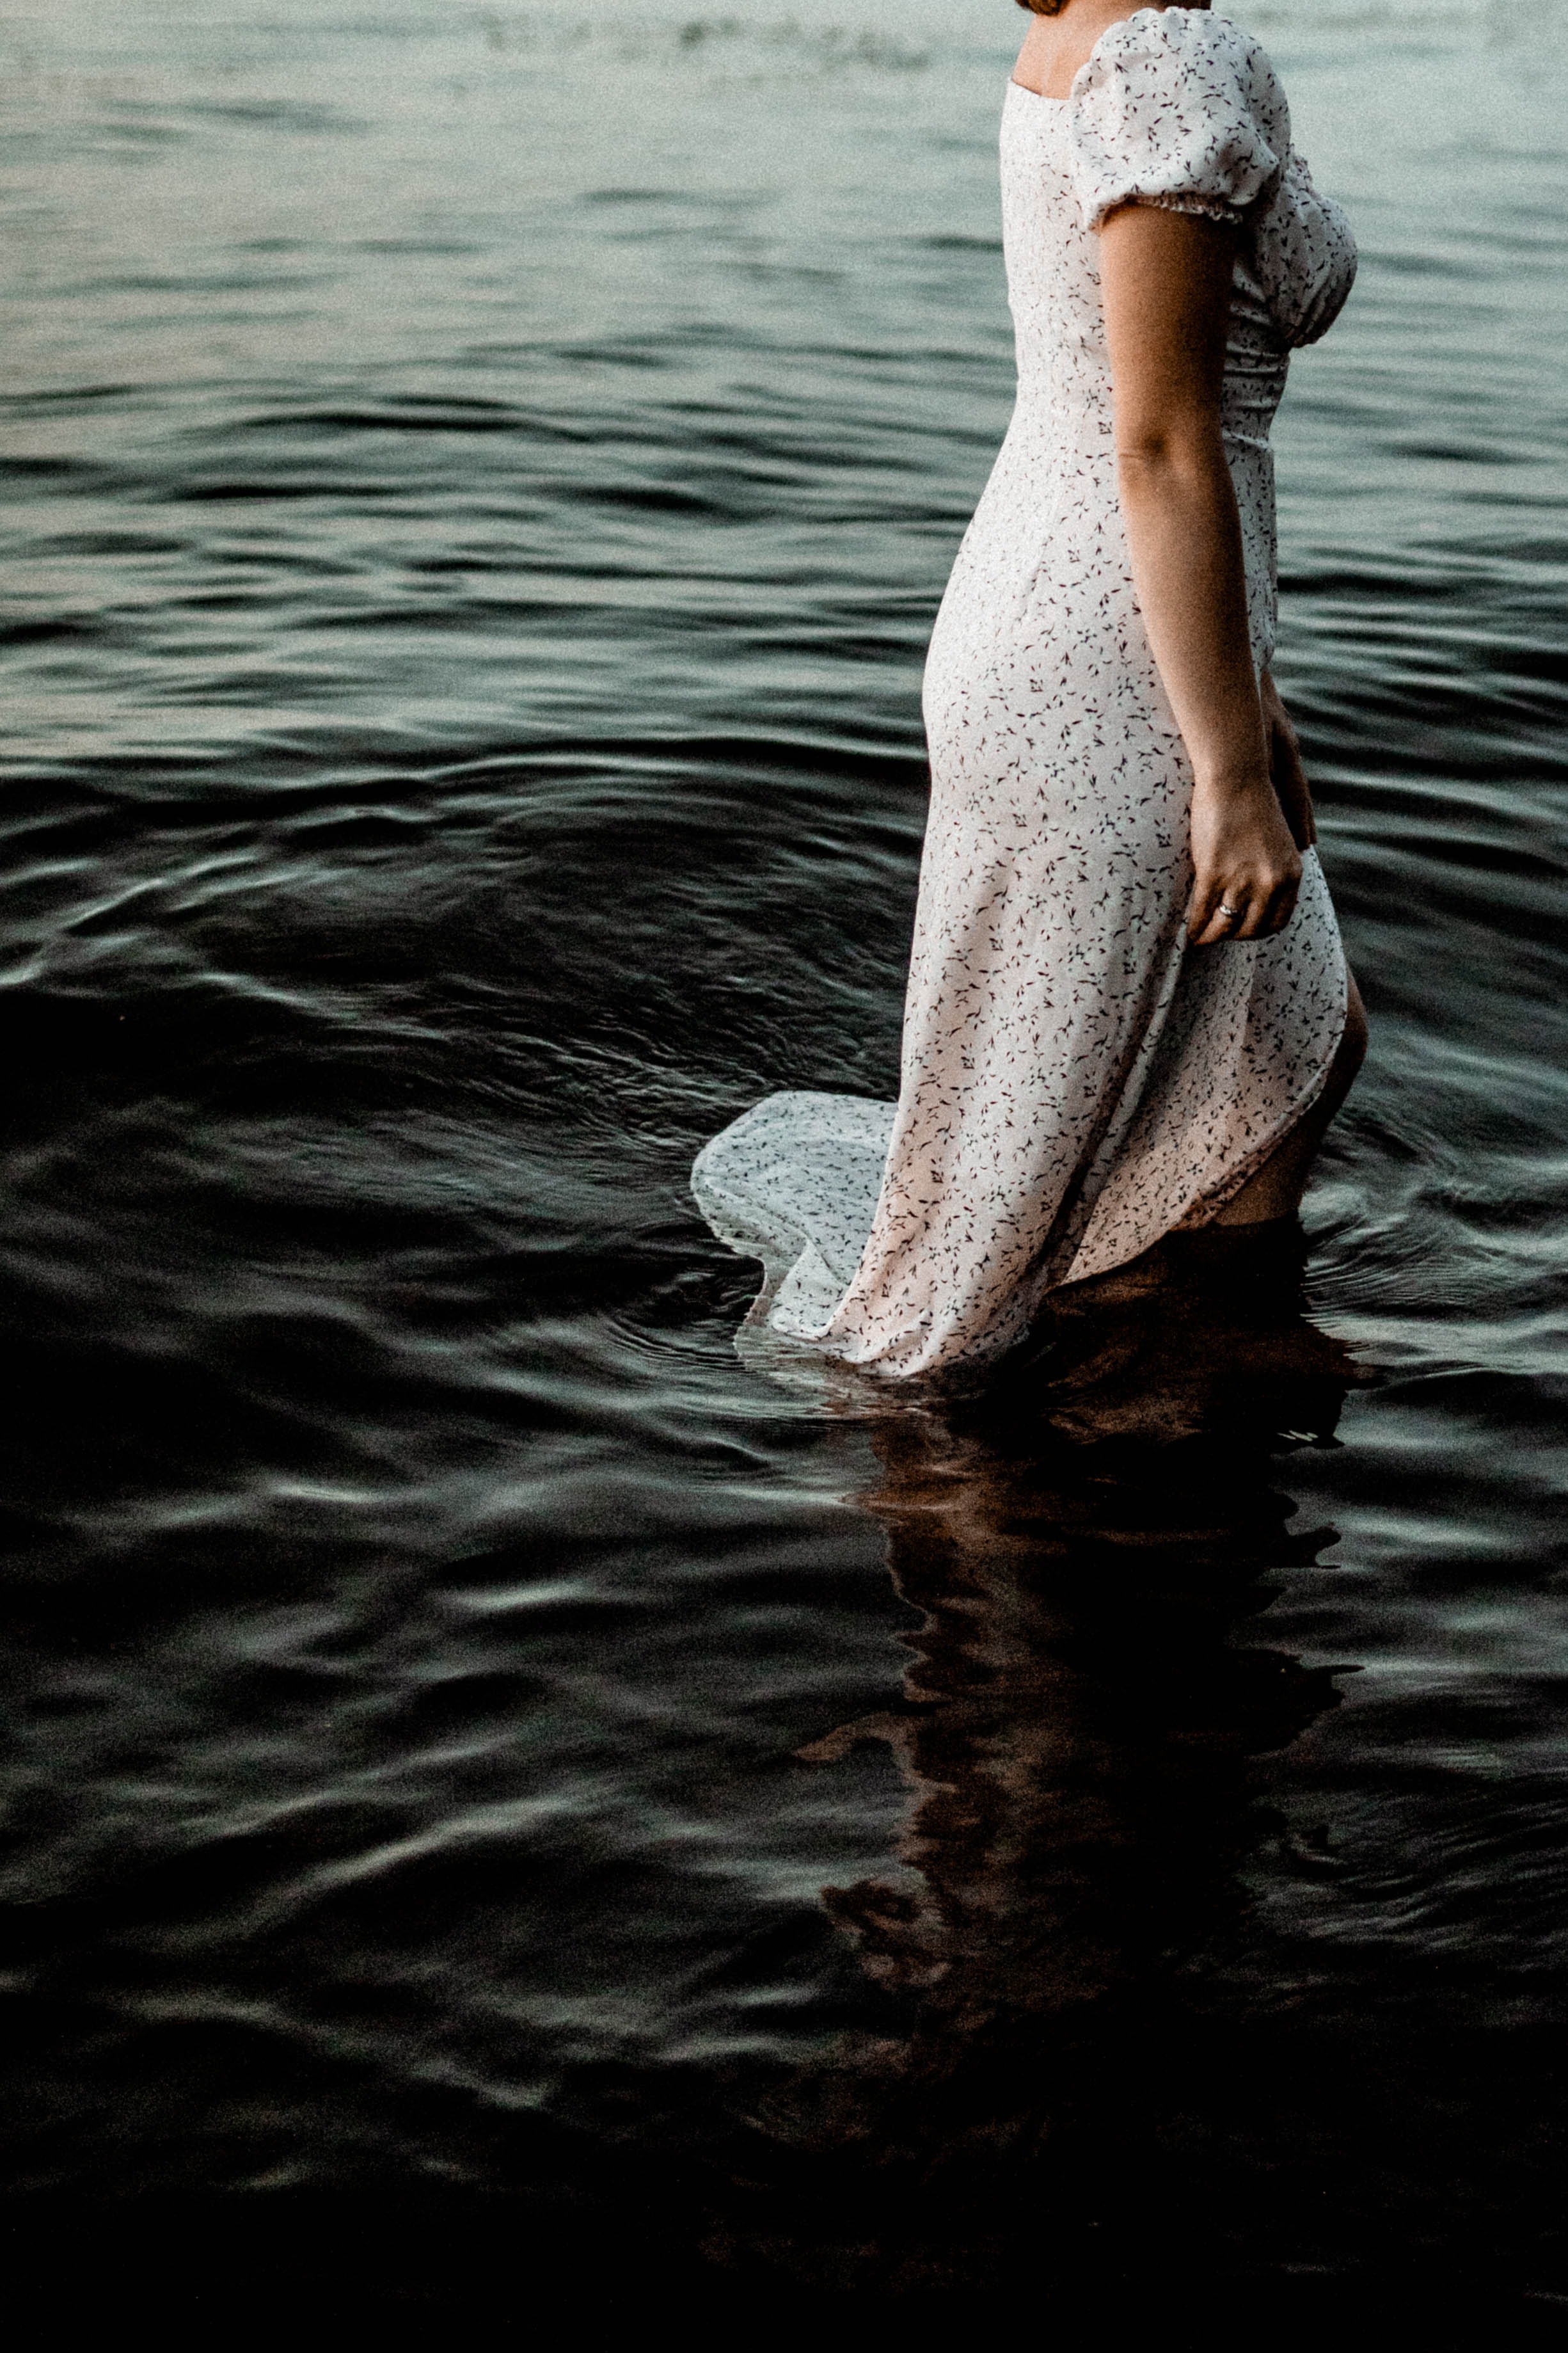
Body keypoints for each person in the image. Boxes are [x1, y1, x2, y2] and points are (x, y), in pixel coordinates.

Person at [693, 1, 1366, 1381]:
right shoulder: (1169, 56)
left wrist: (1246, 692)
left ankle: (1175, 1370)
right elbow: (1160, 440)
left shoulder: (1097, 41)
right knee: (1029, 1160)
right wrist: (1228, 767)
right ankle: (974, 1449)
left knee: (1290, 1044)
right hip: (1099, 661)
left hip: (1096, 623)